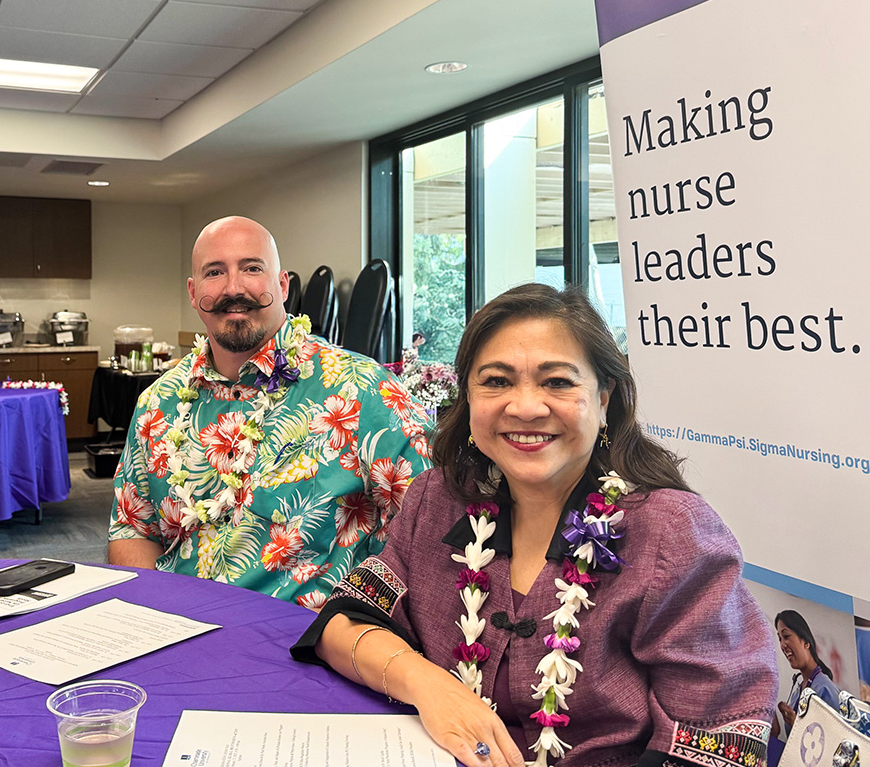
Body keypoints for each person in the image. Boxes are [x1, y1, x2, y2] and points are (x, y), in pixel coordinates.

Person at [293, 283, 777, 767]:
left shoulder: (673, 534)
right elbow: (342, 621)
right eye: (497, 381)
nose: (525, 407)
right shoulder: (437, 499)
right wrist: (431, 687)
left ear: (605, 398)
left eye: (558, 382)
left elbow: (723, 745)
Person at [108, 216, 432, 608]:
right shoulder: (157, 404)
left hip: (308, 645)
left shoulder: (361, 390)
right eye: (215, 272)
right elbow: (132, 528)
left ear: (282, 286)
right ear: (193, 294)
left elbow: (429, 524)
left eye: (252, 268)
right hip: (180, 634)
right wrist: (155, 618)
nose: (234, 288)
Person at [772, 610, 843, 737]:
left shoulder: (824, 687)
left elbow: (838, 740)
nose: (782, 645)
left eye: (786, 636)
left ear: (805, 641)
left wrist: (796, 725)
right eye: (780, 639)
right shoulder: (797, 692)